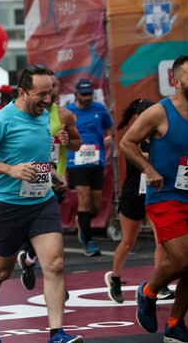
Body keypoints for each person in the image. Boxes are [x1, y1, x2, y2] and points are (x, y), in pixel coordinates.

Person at [0, 65, 83, 343]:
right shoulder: (2, 120)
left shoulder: (47, 116)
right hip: (7, 206)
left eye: (50, 92)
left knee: (54, 263)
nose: (47, 99)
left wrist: (50, 173)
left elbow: (39, 155)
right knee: (1, 271)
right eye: (41, 94)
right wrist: (10, 170)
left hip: (42, 202)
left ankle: (57, 333)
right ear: (21, 92)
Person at [120, 55, 188, 341]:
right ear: (176, 81)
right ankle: (147, 292)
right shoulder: (159, 112)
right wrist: (148, 168)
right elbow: (127, 143)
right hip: (166, 196)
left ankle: (174, 325)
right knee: (184, 259)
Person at [17, 69, 82, 291]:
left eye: (53, 86)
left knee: (49, 229)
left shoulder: (63, 115)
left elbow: (77, 144)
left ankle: (30, 260)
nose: (50, 91)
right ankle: (35, 263)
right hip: (33, 176)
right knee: (36, 227)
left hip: (56, 180)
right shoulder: (24, 114)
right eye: (45, 87)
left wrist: (67, 141)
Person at [104, 99, 173, 303]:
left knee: (161, 240)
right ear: (138, 117)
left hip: (155, 194)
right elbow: (141, 155)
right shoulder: (134, 138)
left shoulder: (159, 136)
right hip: (134, 196)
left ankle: (160, 284)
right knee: (127, 242)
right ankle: (115, 279)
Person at [66, 78, 113, 256]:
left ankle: (82, 221)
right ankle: (89, 242)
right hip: (76, 162)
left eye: (89, 94)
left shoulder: (99, 108)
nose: (87, 98)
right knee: (84, 202)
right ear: (76, 94)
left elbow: (108, 129)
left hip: (96, 161)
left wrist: (109, 139)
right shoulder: (68, 112)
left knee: (96, 204)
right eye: (83, 94)